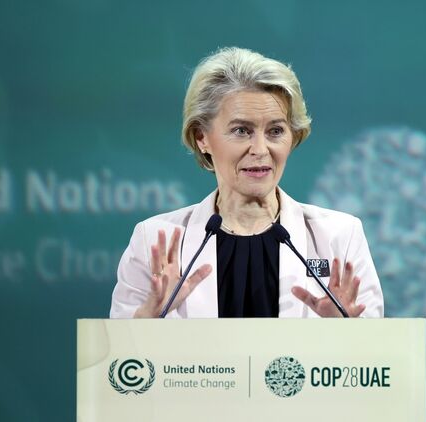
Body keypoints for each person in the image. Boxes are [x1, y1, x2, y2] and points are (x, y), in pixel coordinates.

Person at [110, 47, 383, 318]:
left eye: (275, 131)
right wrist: (145, 321)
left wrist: (345, 331)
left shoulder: (339, 237)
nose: (260, 149)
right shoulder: (154, 242)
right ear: (202, 137)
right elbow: (118, 346)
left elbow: (377, 344)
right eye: (241, 131)